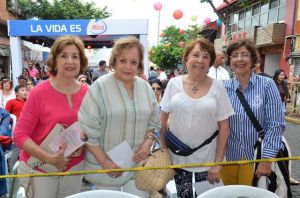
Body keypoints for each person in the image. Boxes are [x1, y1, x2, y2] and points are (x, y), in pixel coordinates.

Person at [78, 36, 161, 197]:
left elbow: (153, 122)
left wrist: (148, 142)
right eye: (123, 60)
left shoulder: (145, 88)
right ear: (114, 61)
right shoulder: (100, 87)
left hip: (139, 165)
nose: (128, 67)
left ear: (139, 65)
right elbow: (87, 129)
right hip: (106, 167)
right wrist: (104, 162)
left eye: (133, 62)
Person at [13, 35, 89, 198]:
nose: (70, 61)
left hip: (74, 168)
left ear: (81, 61)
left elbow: (91, 127)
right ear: (54, 60)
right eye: (64, 55)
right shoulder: (38, 92)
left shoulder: (87, 92)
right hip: (41, 168)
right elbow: (19, 135)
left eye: (75, 56)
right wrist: (50, 158)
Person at [160, 38, 234, 197]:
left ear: (211, 62)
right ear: (186, 58)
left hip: (208, 162)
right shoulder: (173, 84)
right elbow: (162, 120)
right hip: (178, 159)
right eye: (195, 55)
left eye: (206, 56)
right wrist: (164, 154)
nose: (200, 60)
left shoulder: (218, 87)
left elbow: (224, 127)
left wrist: (218, 162)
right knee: (183, 196)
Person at [221, 39, 285, 187]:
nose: (239, 59)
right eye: (234, 55)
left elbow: (275, 124)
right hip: (228, 156)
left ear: (253, 59)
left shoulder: (267, 85)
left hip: (256, 156)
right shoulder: (223, 87)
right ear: (229, 61)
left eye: (245, 54)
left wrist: (266, 159)